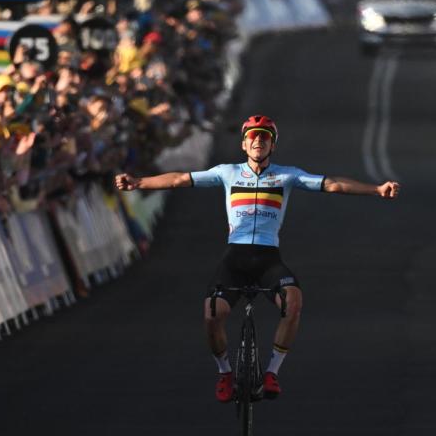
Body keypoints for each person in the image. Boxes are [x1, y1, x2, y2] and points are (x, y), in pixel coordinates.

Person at [115, 114, 400, 402]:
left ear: (272, 146)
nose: (258, 141)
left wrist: (376, 190)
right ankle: (225, 373)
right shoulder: (227, 172)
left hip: (268, 260)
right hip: (235, 259)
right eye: (253, 136)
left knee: (294, 303)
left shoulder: (286, 175)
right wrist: (138, 182)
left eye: (265, 137)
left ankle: (271, 372)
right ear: (243, 144)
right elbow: (178, 179)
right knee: (212, 314)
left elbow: (333, 184)